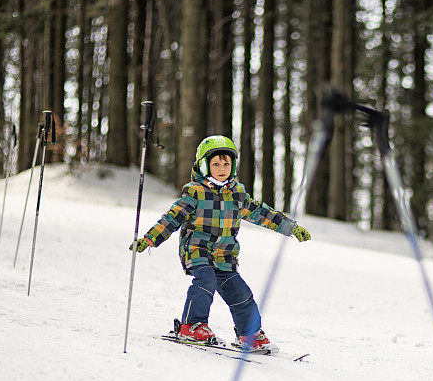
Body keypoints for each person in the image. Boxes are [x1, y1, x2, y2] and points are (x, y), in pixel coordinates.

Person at [130, 135, 311, 352]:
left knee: (241, 293)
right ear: (204, 166)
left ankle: (249, 334)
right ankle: (191, 325)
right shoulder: (194, 192)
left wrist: (290, 227)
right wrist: (149, 239)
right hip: (197, 250)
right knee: (205, 281)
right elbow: (172, 218)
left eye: (227, 163)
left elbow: (262, 213)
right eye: (216, 164)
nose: (222, 168)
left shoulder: (237, 194)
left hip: (225, 255)